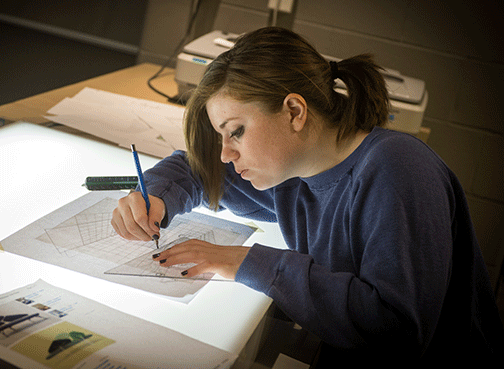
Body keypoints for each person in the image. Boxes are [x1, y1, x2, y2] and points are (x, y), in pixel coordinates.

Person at [111, 27, 503, 367]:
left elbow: (395, 332)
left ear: (294, 111)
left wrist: (250, 263)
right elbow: (198, 170)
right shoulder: (295, 173)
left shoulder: (399, 169)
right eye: (221, 138)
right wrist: (155, 196)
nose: (226, 154)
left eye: (237, 131)